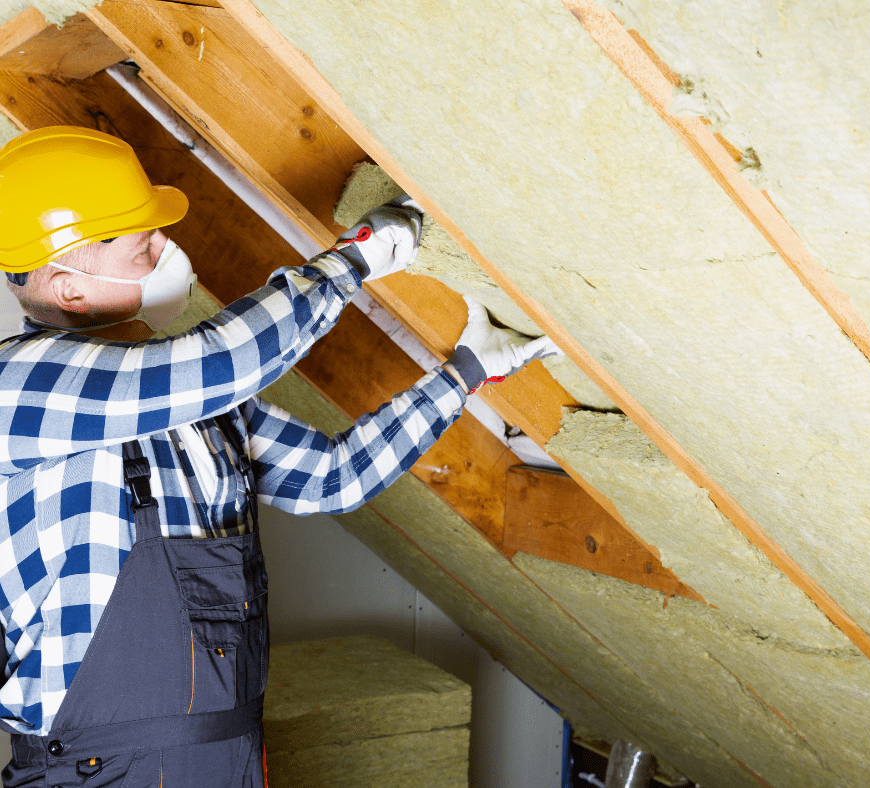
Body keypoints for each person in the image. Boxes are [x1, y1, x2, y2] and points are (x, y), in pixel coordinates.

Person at [0, 126, 559, 786]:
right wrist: (353, 262)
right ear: (69, 288)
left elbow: (332, 477)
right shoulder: (22, 384)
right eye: (139, 243)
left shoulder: (185, 398)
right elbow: (225, 360)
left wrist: (463, 374)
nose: (160, 252)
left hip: (228, 751)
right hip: (103, 770)